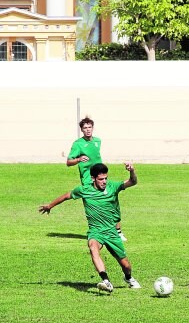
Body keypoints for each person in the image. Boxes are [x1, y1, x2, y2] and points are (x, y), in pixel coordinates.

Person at [39, 162, 140, 293]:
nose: (104, 182)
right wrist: (50, 206)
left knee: (126, 266)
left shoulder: (113, 186)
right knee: (93, 247)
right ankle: (106, 281)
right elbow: (66, 196)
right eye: (101, 179)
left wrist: (131, 171)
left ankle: (128, 278)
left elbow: (133, 181)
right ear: (93, 178)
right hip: (95, 231)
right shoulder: (84, 190)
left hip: (111, 232)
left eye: (105, 178)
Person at [67, 117, 127, 241]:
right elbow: (68, 162)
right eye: (85, 128)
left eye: (89, 127)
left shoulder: (97, 141)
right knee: (94, 206)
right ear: (81, 130)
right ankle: (97, 232)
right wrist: (78, 159)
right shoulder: (78, 144)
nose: (88, 130)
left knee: (113, 201)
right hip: (89, 181)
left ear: (93, 128)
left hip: (101, 178)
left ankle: (118, 232)